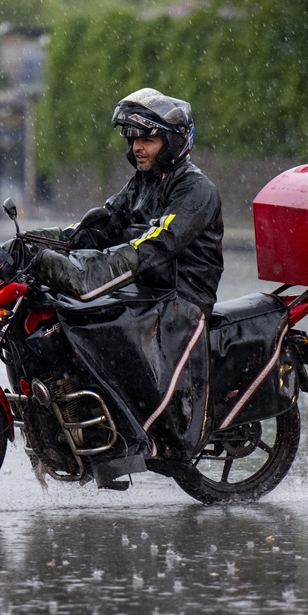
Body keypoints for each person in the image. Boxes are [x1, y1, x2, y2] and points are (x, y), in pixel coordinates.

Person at [27, 88, 224, 485]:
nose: (137, 147)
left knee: (103, 327)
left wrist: (86, 273)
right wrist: (33, 244)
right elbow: (95, 230)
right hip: (143, 292)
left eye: (147, 138)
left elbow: (152, 246)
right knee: (63, 312)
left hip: (180, 298)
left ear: (171, 142)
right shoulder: (142, 183)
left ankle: (139, 442)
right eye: (133, 138)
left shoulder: (195, 191)